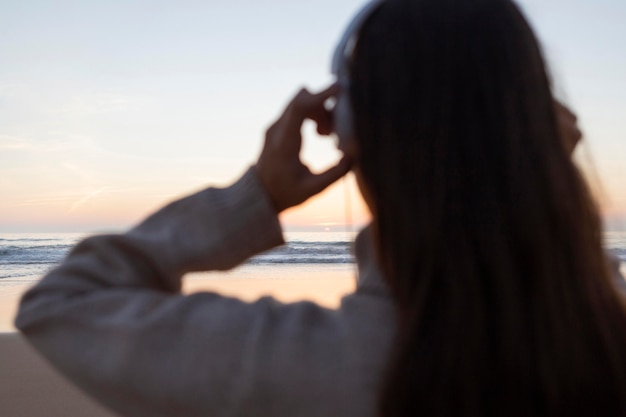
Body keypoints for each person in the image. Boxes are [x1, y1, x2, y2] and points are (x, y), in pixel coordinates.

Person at [15, 0, 626, 416]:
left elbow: (60, 305)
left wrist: (255, 196)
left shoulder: (311, 364)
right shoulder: (603, 340)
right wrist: (547, 175)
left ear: (351, 129)